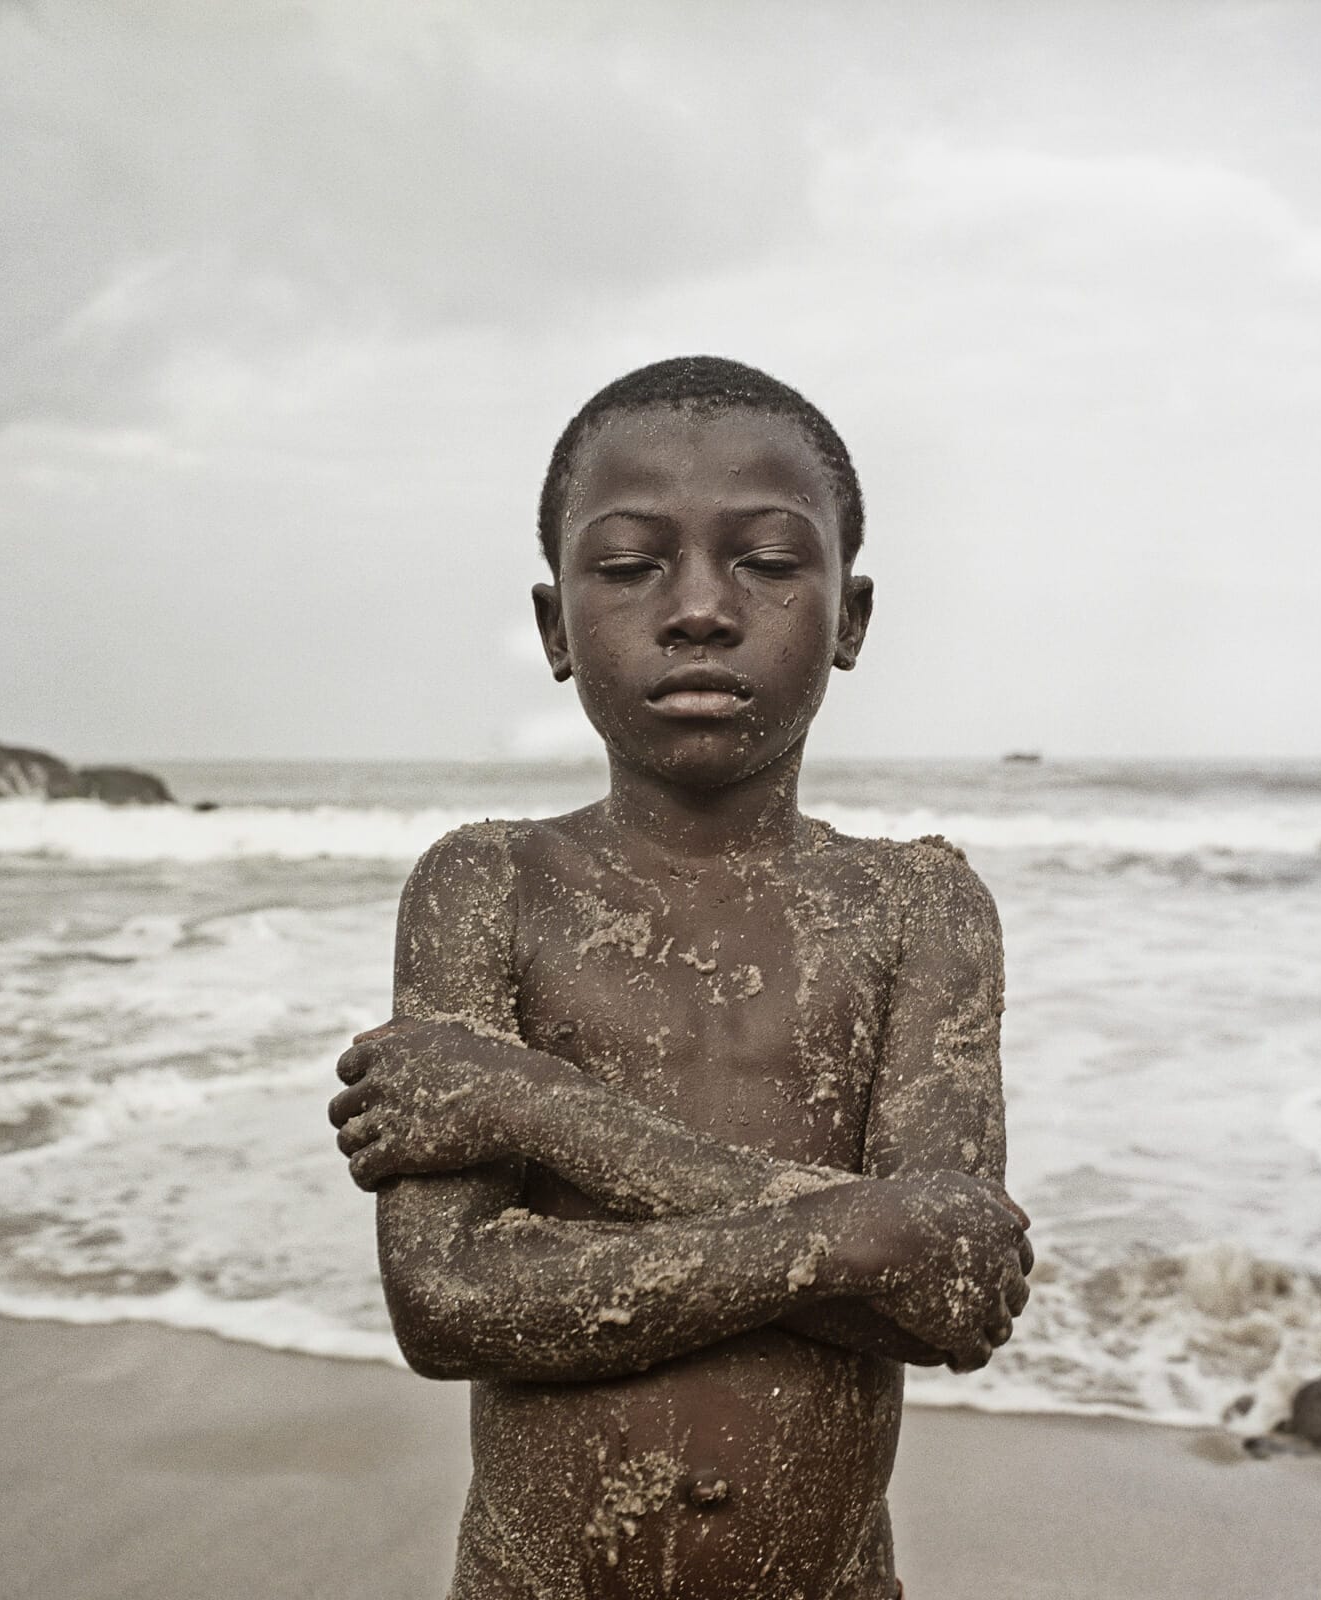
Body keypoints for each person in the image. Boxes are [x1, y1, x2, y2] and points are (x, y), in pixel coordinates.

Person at [328, 356, 1033, 1599]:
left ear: (850, 616)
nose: (700, 607)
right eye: (629, 563)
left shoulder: (918, 905)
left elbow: (952, 1291)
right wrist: (862, 1233)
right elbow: (447, 1299)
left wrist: (536, 1107)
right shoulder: (488, 884)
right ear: (555, 625)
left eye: (765, 560)